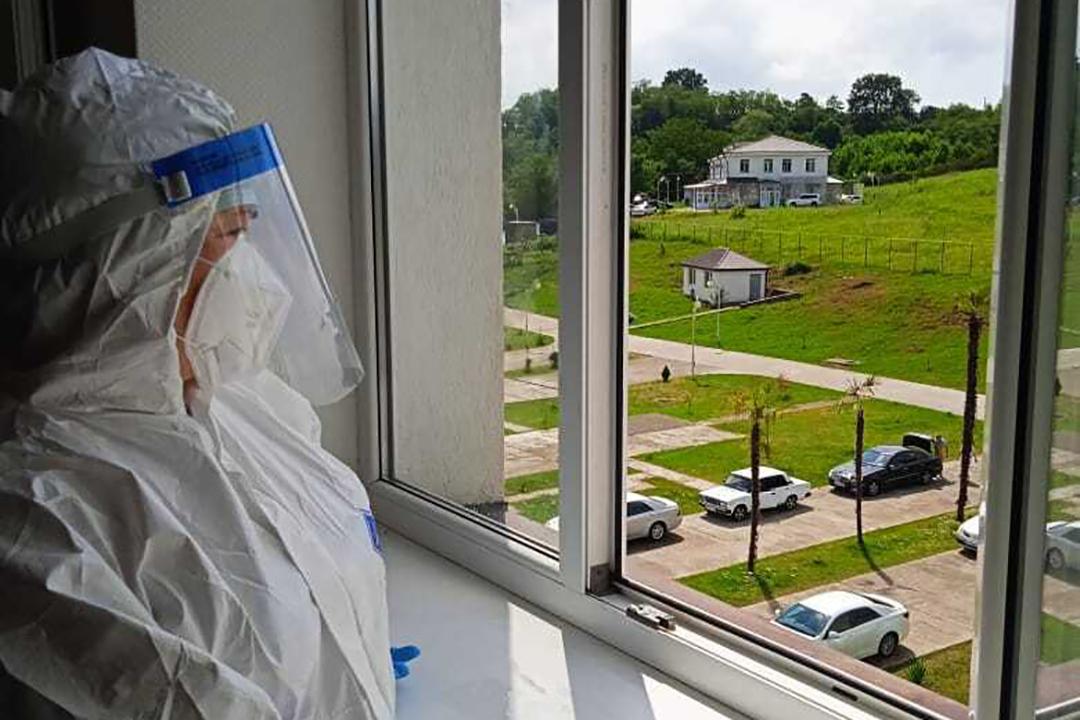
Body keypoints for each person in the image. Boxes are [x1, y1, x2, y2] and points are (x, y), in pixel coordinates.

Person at [0, 48, 410, 719]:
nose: (250, 281)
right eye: (219, 241)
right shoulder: (38, 527)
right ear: (121, 270)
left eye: (242, 231)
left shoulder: (250, 408)